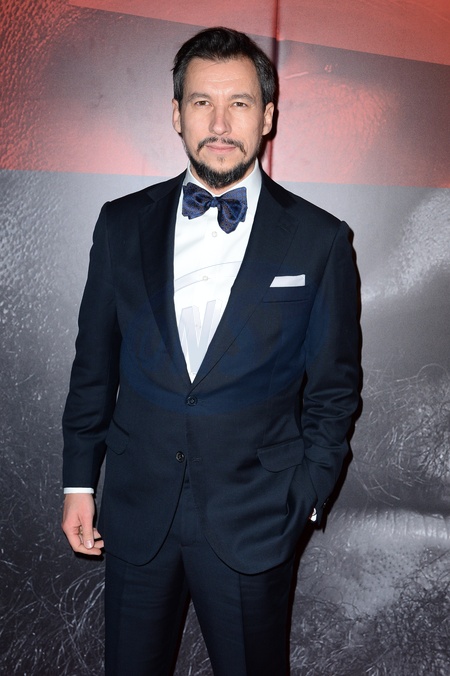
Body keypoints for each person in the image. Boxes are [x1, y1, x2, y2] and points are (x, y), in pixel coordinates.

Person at [61, 26, 360, 676]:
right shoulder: (120, 224)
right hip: (136, 513)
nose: (220, 123)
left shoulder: (320, 239)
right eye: (202, 102)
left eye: (239, 103)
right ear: (177, 113)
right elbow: (94, 366)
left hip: (256, 518)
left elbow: (334, 390)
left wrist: (305, 498)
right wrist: (80, 482)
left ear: (268, 116)